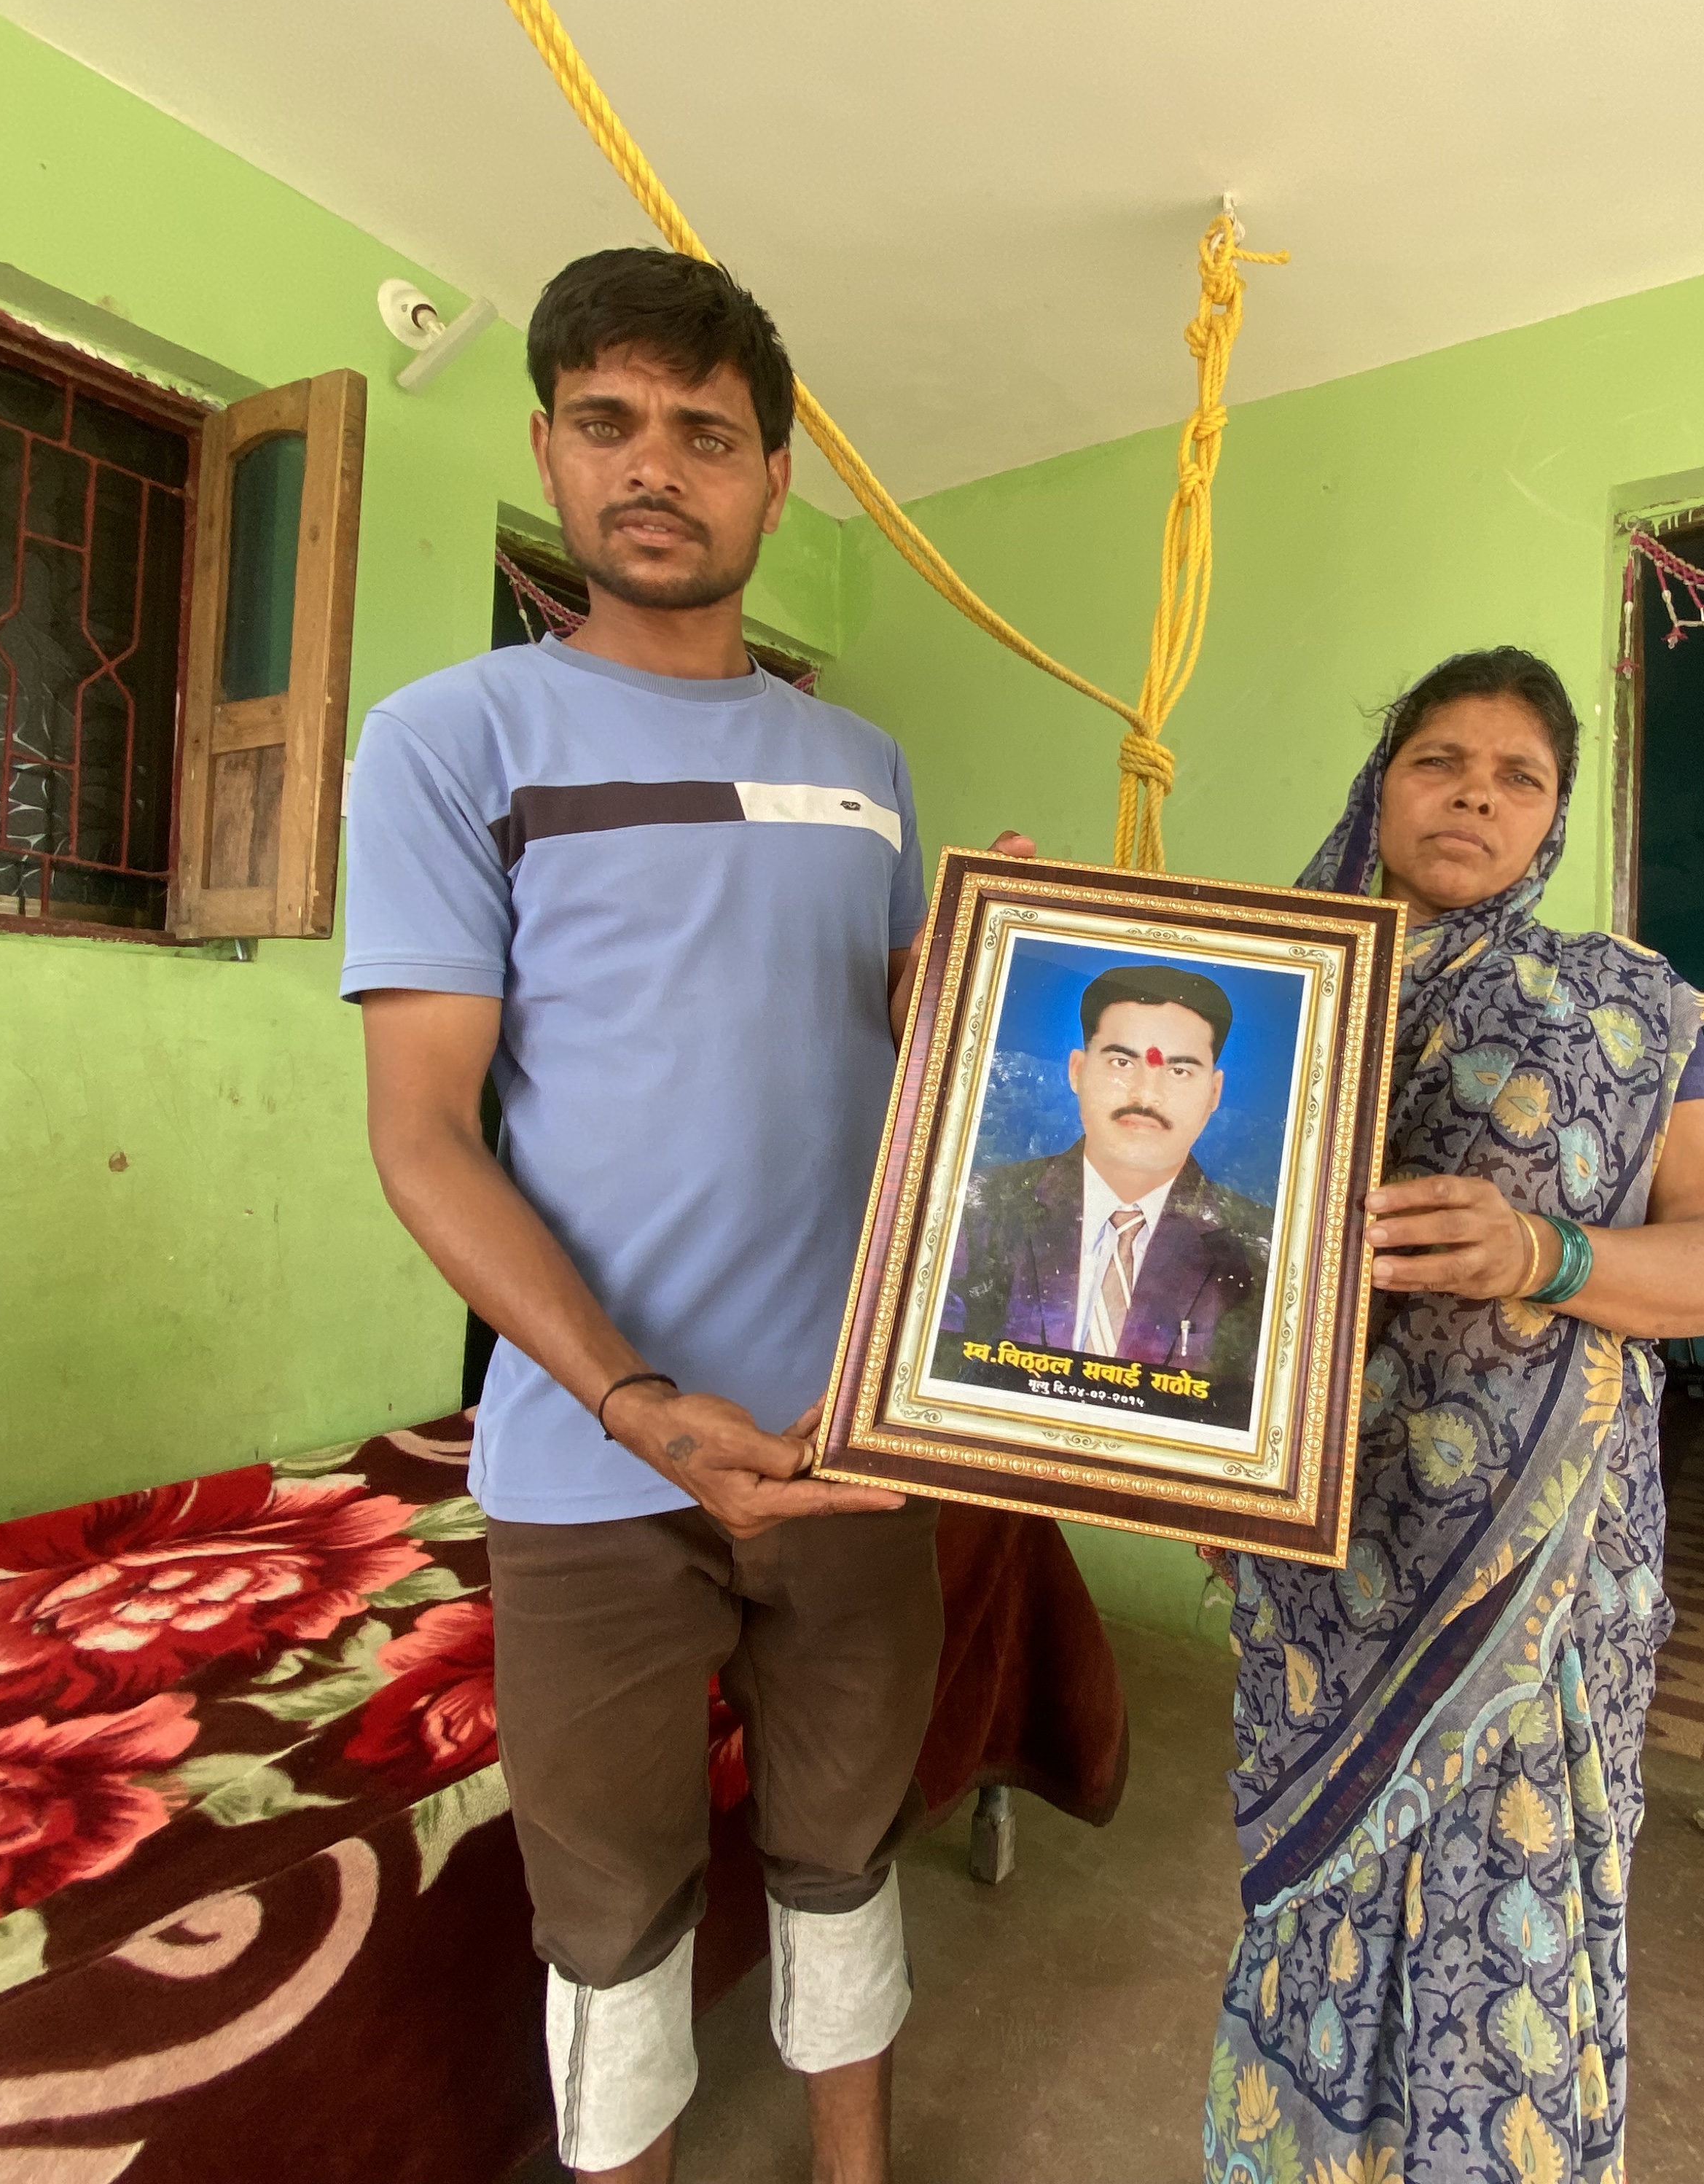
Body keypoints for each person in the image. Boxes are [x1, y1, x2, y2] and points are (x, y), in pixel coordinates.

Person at [342, 246, 1024, 2184]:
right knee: (612, 1901)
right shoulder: (451, 739)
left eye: (707, 433)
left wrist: (986, 988)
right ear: (548, 448)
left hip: (853, 1441)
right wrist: (637, 1401)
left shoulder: (867, 765)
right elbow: (423, 1137)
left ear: (773, 478)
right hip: (595, 1457)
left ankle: (853, 2166)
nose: (659, 466)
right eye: (611, 423)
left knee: (842, 1836)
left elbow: (899, 1054)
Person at [1201, 649, 1704, 2184]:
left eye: (1520, 776)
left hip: (1539, 1590)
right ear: (1379, 787)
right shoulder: (1258, 997)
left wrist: (1549, 1253)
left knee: (1511, 1954)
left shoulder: (1628, 1012)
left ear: (1556, 822)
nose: (1475, 791)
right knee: (1318, 1914)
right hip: (1327, 1569)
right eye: (1439, 758)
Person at [934, 963, 1271, 1424]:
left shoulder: (1263, 1250)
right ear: (1077, 1070)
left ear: (1214, 1093)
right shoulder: (976, 1210)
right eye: (1121, 1062)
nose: (1145, 1093)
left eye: (1179, 1070)